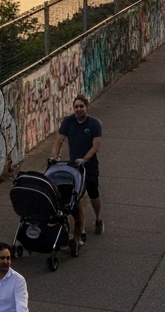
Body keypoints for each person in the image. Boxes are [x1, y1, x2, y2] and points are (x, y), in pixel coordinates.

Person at [52, 94, 103, 241]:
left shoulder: (94, 124)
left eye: (81, 106)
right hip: (73, 166)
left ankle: (98, 218)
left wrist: (85, 159)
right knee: (77, 196)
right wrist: (54, 158)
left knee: (93, 193)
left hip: (89, 164)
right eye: (76, 107)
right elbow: (58, 141)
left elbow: (96, 146)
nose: (79, 109)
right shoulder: (68, 122)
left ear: (87, 107)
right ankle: (81, 229)